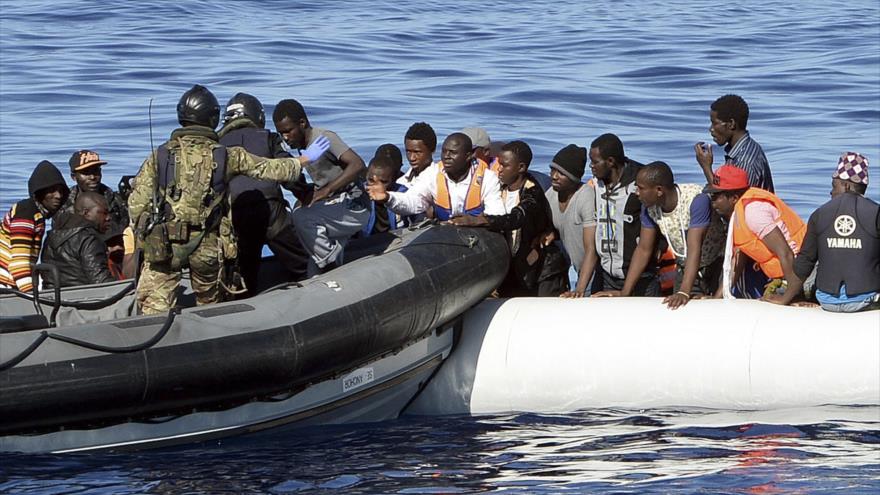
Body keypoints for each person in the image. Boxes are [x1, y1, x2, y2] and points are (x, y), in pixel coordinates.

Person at [129, 85, 327, 315]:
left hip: (164, 246)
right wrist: (302, 161)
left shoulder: (159, 155)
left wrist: (145, 238)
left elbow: (136, 204)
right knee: (211, 307)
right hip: (207, 247)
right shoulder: (225, 154)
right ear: (211, 118)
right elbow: (268, 169)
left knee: (153, 308)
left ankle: (154, 338)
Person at [218, 92, 310, 295]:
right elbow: (287, 172)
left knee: (245, 276)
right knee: (303, 265)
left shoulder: (216, 146)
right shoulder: (268, 137)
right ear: (257, 117)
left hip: (237, 215)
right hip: (271, 211)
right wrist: (304, 193)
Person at [450, 140, 568, 296]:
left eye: (504, 165)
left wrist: (482, 220)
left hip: (542, 272)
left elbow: (516, 218)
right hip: (512, 270)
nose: (498, 169)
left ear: (521, 168)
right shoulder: (499, 188)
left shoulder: (533, 193)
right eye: (498, 163)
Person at [604, 162, 726, 308]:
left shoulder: (696, 200)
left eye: (641, 188)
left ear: (659, 190)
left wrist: (684, 293)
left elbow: (695, 248)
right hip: (686, 266)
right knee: (677, 310)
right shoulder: (649, 208)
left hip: (716, 264)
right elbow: (643, 249)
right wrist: (625, 292)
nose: (636, 192)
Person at [272, 98, 370, 275]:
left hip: (355, 205)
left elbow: (357, 164)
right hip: (335, 206)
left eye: (288, 131)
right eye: (281, 133)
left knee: (301, 217)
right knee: (313, 274)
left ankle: (330, 263)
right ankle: (331, 267)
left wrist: (326, 191)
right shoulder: (303, 148)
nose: (285, 137)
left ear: (302, 123)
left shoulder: (324, 138)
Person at [776, 152, 879, 311]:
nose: (831, 192)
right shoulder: (876, 213)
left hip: (827, 301)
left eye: (833, 186)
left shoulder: (819, 214)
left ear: (846, 185)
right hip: (865, 300)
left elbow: (805, 262)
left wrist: (785, 300)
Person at [705, 165, 806, 301]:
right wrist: (718, 298)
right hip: (788, 274)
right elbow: (737, 261)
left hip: (801, 274)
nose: (713, 202)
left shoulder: (754, 212)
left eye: (716, 196)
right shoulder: (738, 213)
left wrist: (788, 298)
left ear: (734, 198)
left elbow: (785, 253)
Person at [581, 134, 660, 297]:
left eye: (595, 162)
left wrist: (625, 293)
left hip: (641, 278)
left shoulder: (640, 184)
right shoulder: (595, 184)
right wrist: (579, 290)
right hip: (606, 275)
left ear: (610, 161)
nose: (591, 166)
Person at [366, 133, 505, 220]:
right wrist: (388, 198)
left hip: (479, 235)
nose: (446, 157)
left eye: (453, 152)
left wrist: (473, 221)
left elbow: (497, 214)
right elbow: (412, 201)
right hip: (444, 235)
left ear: (468, 156)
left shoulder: (487, 178)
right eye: (444, 152)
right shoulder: (433, 174)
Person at [0, 160, 69, 292]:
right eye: (52, 190)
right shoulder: (26, 214)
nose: (58, 196)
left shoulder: (37, 214)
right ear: (39, 192)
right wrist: (32, 296)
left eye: (61, 191)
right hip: (5, 285)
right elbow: (18, 265)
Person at [694, 94, 774, 192]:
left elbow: (730, 200)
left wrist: (706, 167)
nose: (711, 129)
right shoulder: (744, 149)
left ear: (731, 124)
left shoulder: (744, 162)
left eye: (715, 123)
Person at [542, 144, 593, 294]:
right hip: (574, 267)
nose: (554, 176)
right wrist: (552, 233)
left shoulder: (586, 197)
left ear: (574, 178)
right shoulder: (551, 194)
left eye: (561, 173)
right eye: (553, 170)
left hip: (592, 270)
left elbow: (592, 249)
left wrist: (580, 289)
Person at [41, 191, 116, 288]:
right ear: (86, 213)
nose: (108, 218)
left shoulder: (52, 235)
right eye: (104, 213)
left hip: (51, 297)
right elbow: (100, 281)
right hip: (82, 299)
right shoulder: (88, 239)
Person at [56, 149, 130, 235]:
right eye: (86, 173)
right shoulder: (64, 203)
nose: (92, 177)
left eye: (96, 171)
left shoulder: (115, 200)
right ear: (74, 177)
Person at [362, 153, 410, 236]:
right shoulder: (359, 194)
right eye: (371, 180)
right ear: (366, 176)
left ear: (394, 179)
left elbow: (419, 218)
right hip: (365, 242)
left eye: (383, 182)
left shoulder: (403, 194)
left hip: (398, 240)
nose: (376, 186)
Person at [400, 122, 437, 189]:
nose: (411, 158)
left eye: (417, 152)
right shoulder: (401, 182)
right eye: (408, 152)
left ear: (432, 150)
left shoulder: (439, 180)